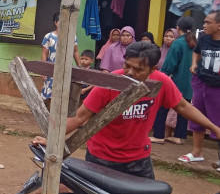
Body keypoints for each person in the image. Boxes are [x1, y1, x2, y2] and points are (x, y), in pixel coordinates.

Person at [34, 42, 220, 179]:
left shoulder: (161, 82)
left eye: (137, 69)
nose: (129, 72)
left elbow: (183, 106)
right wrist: (52, 138)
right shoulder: (111, 83)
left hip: (138, 158)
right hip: (102, 157)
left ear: (152, 69)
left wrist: (214, 127)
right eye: (127, 66)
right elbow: (79, 117)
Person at [179, 10, 220, 165]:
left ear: (219, 26)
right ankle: (197, 152)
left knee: (218, 120)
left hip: (218, 86)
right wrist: (194, 63)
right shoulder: (202, 38)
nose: (204, 25)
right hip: (201, 82)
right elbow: (196, 52)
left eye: (208, 22)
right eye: (204, 22)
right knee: (197, 116)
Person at [152, 20, 194, 145]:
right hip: (190, 82)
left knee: (162, 107)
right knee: (184, 109)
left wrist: (162, 75)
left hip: (176, 81)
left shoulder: (178, 43)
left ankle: (158, 135)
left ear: (177, 28)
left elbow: (169, 65)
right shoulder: (194, 43)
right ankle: (179, 136)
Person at [41, 12, 81, 103]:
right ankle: (46, 115)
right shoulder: (48, 37)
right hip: (51, 70)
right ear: (56, 22)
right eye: (61, 22)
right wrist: (43, 71)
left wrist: (80, 67)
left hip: (66, 70)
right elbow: (44, 53)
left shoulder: (72, 37)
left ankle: (59, 116)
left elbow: (75, 51)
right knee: (48, 96)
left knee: (64, 94)